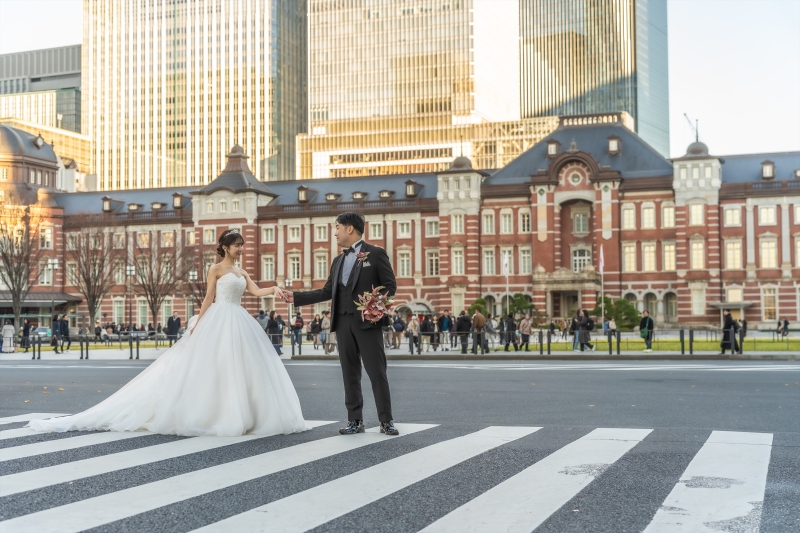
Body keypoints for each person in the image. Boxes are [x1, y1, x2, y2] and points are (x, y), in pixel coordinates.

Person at [28, 229, 309, 437]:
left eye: (241, 246)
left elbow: (256, 292)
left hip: (238, 318)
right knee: (217, 365)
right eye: (237, 246)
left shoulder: (242, 272)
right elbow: (208, 298)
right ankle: (218, 413)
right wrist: (199, 324)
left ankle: (243, 412)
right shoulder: (215, 269)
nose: (240, 249)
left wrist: (275, 289)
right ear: (224, 247)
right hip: (219, 317)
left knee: (240, 367)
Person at [284, 212, 399, 436]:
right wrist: (296, 297)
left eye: (337, 227)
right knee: (349, 373)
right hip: (343, 323)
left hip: (367, 323)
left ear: (349, 228)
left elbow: (390, 285)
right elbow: (327, 291)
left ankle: (386, 421)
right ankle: (355, 421)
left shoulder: (375, 253)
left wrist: (374, 306)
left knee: (377, 373)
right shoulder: (338, 261)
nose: (335, 232)